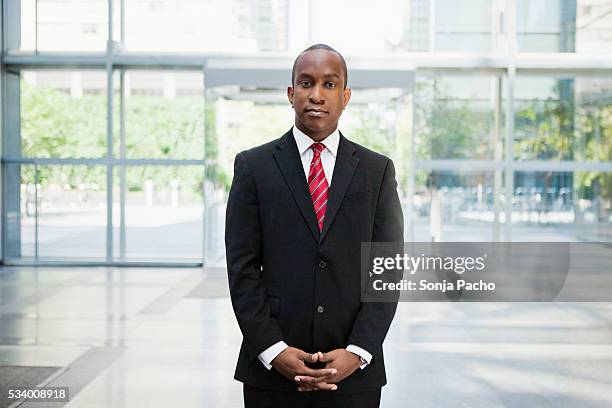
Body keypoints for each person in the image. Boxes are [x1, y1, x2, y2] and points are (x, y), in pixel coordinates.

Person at [225, 43, 404, 408]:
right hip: (271, 372)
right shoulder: (253, 167)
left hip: (354, 375)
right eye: (306, 84)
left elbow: (387, 269)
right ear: (291, 94)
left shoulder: (377, 171)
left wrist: (357, 351)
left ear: (345, 95)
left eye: (330, 84)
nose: (317, 95)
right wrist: (273, 350)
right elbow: (242, 269)